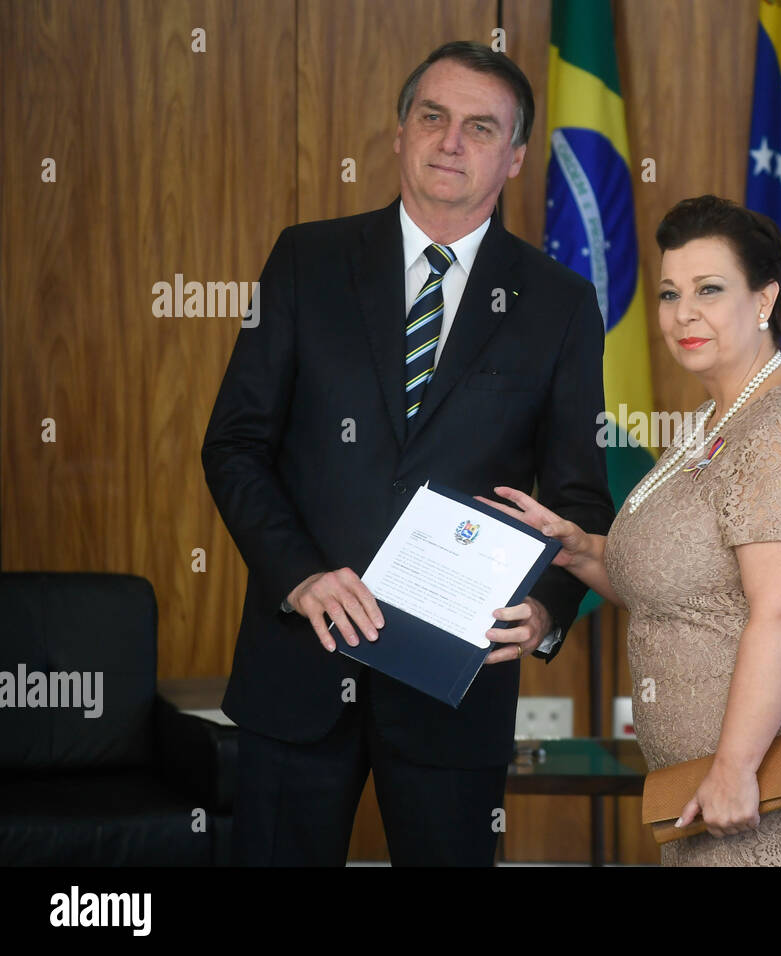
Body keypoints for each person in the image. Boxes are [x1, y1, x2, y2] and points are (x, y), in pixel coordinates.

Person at [201, 41, 613, 866]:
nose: (451, 140)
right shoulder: (305, 261)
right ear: (400, 133)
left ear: (516, 156)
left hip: (455, 690)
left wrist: (548, 614)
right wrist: (301, 574)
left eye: (480, 126)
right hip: (300, 670)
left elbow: (581, 500)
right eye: (434, 116)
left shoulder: (560, 305)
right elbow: (235, 445)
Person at [478, 195, 781, 865]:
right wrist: (580, 548)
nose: (683, 314)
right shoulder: (710, 420)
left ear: (764, 299)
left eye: (709, 289)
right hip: (710, 777)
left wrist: (735, 767)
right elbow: (685, 582)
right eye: (670, 293)